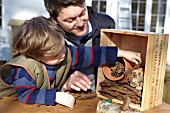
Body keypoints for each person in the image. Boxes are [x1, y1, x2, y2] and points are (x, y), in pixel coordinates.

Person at [0, 16, 141, 108]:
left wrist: (119, 53)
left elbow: (91, 54)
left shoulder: (64, 53)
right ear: (37, 56)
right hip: (8, 102)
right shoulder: (23, 70)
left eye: (62, 49)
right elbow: (26, 95)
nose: (63, 56)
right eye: (56, 55)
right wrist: (54, 96)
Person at [43, 0, 117, 91]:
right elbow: (36, 79)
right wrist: (64, 83)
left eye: (82, 13)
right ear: (54, 19)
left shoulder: (106, 24)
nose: (81, 24)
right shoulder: (42, 36)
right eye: (71, 20)